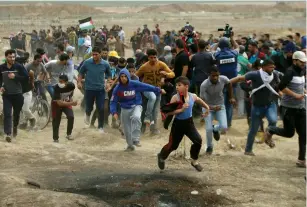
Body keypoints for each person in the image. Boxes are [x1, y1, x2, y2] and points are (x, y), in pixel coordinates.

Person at [157, 76, 210, 172]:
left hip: (189, 123)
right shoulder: (175, 97)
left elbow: (198, 100)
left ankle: (194, 161)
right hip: (178, 124)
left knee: (198, 140)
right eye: (176, 85)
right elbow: (168, 112)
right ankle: (161, 156)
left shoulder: (192, 96)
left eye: (179, 85)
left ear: (186, 86)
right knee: (173, 145)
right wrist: (181, 109)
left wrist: (207, 107)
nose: (177, 87)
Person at [230, 59, 280, 156]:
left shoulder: (275, 74)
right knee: (253, 129)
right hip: (257, 106)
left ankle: (268, 137)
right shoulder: (255, 74)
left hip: (270, 104)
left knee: (273, 120)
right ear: (264, 67)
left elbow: (280, 85)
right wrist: (227, 82)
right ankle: (248, 150)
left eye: (273, 67)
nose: (272, 69)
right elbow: (240, 78)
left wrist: (282, 93)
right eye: (270, 67)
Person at [265, 51, 306, 167]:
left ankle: (301, 160)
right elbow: (281, 87)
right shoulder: (289, 72)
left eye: (304, 62)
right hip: (288, 107)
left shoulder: (303, 70)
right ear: (295, 61)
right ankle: (271, 130)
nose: (303, 64)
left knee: (304, 134)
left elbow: (300, 85)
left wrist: (303, 91)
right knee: (289, 133)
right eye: (301, 62)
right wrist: (295, 95)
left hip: (301, 107)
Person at [110, 69, 161, 151]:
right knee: (126, 129)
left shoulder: (134, 84)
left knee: (136, 117)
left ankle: (136, 139)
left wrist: (157, 89)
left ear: (128, 77)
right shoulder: (117, 88)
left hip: (136, 106)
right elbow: (113, 101)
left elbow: (146, 86)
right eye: (121, 77)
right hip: (124, 108)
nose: (123, 78)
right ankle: (130, 145)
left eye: (125, 76)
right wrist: (114, 112)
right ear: (119, 77)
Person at [135, 49, 175, 134]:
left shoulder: (161, 64)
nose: (153, 59)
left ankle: (153, 129)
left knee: (156, 110)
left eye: (154, 57)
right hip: (147, 89)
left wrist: (166, 74)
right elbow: (135, 76)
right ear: (148, 57)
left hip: (157, 89)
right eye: (151, 58)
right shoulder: (144, 66)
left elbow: (172, 74)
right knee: (146, 106)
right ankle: (144, 123)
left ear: (156, 56)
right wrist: (138, 86)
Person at [200, 66, 235, 154]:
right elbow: (201, 101)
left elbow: (229, 84)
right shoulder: (204, 85)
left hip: (220, 105)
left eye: (217, 75)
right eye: (213, 76)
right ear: (209, 75)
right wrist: (211, 108)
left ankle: (215, 128)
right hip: (207, 107)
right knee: (208, 129)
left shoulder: (223, 79)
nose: (215, 77)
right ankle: (209, 147)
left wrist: (231, 97)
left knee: (224, 127)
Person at [78, 47, 111, 133]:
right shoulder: (87, 62)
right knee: (89, 107)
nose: (94, 56)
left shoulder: (105, 64)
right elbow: (81, 73)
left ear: (100, 54)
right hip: (89, 89)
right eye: (93, 54)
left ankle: (100, 127)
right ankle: (87, 116)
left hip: (100, 90)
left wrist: (108, 83)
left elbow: (109, 74)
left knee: (101, 108)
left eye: (96, 54)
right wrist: (79, 82)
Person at [0, 49, 29, 142]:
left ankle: (15, 126)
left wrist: (15, 77)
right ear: (6, 57)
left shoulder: (19, 66)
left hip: (18, 95)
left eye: (13, 56)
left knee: (16, 114)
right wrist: (0, 87)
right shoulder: (1, 67)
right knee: (7, 114)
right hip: (7, 95)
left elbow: (26, 78)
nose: (12, 58)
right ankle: (8, 133)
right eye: (10, 57)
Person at [213, 36, 238, 127]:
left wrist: (217, 43)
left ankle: (223, 123)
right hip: (233, 83)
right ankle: (229, 122)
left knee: (221, 104)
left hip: (221, 83)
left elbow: (212, 49)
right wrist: (232, 38)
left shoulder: (217, 55)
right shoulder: (234, 53)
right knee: (230, 103)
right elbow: (237, 46)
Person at [52, 74, 77, 142]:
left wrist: (71, 99)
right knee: (56, 121)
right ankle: (55, 138)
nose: (60, 83)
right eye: (59, 81)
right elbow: (60, 103)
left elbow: (71, 93)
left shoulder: (71, 86)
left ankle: (69, 134)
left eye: (61, 82)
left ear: (66, 82)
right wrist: (72, 103)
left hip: (66, 102)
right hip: (56, 104)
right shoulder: (56, 88)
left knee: (71, 116)